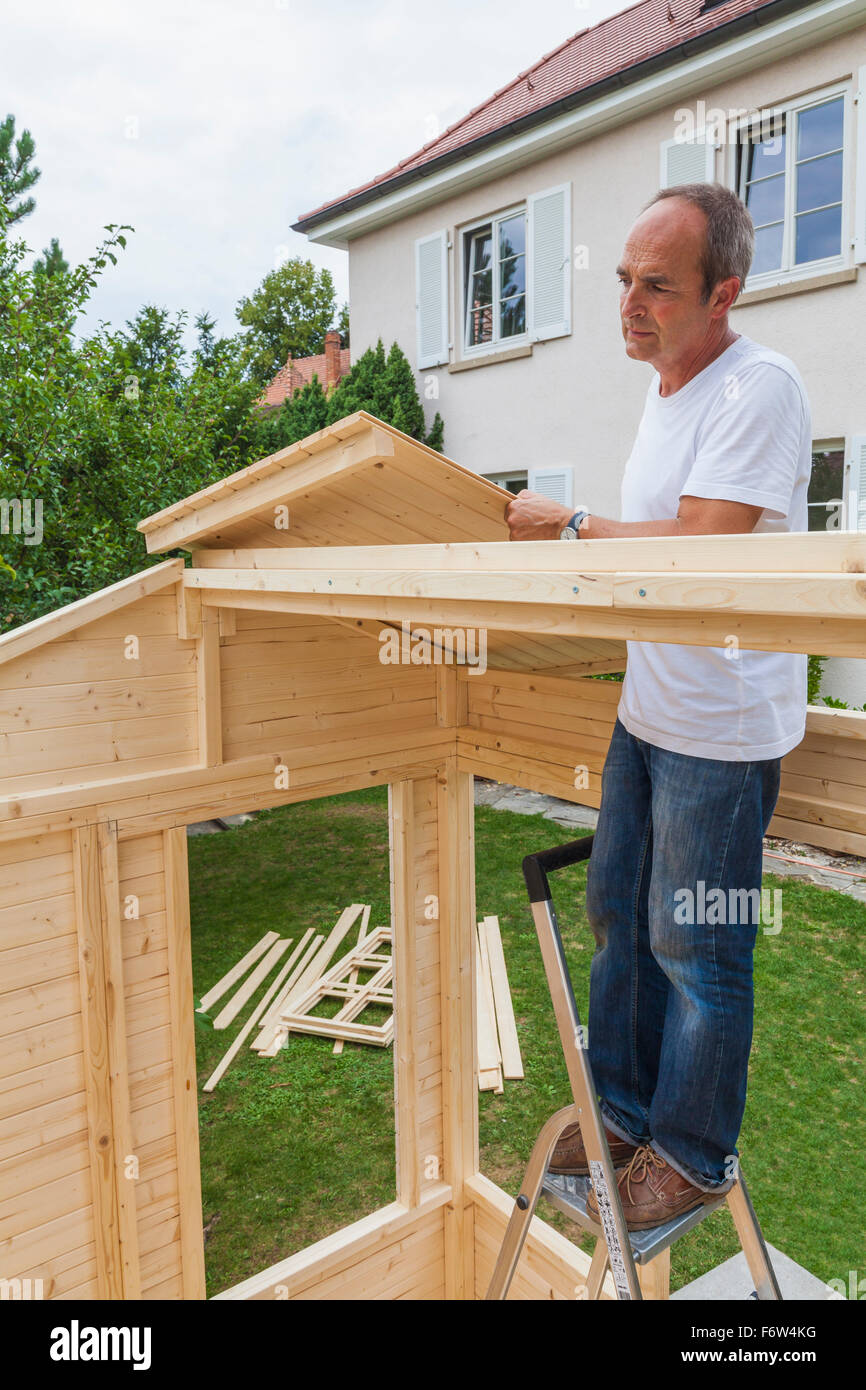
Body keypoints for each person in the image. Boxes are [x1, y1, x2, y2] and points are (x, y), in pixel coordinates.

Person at [504, 182, 810, 1229]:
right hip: (648, 711)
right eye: (624, 280)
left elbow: (703, 541)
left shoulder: (757, 387)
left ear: (723, 291)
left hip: (718, 731)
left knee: (696, 946)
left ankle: (687, 1157)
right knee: (614, 924)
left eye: (657, 287)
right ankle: (624, 1124)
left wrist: (570, 525)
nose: (628, 304)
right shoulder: (666, 385)